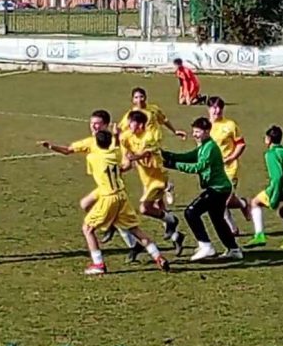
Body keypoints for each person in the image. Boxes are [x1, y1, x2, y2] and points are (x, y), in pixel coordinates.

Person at [37, 110, 145, 262]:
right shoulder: (90, 142)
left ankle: (118, 248)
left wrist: (116, 169)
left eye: (97, 123)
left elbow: (127, 165)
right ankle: (125, 238)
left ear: (106, 125)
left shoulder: (115, 142)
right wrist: (51, 146)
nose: (93, 126)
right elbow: (68, 150)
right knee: (84, 204)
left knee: (106, 218)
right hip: (103, 187)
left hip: (112, 188)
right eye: (91, 123)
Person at [81, 129, 170, 275]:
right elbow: (123, 160)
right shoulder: (115, 153)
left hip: (108, 196)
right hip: (122, 196)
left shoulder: (92, 158)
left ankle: (98, 264)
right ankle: (157, 256)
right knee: (135, 229)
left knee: (88, 229)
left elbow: (94, 169)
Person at [162, 117, 243, 261]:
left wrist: (174, 165)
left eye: (198, 132)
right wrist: (167, 155)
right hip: (220, 189)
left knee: (191, 212)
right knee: (218, 220)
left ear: (207, 132)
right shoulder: (204, 146)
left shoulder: (210, 148)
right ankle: (234, 249)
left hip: (218, 190)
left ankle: (206, 246)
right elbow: (189, 156)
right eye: (194, 131)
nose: (194, 134)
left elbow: (198, 167)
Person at [122, 110, 185, 256]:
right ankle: (176, 236)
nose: (131, 125)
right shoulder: (126, 137)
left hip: (158, 179)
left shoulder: (149, 137)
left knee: (144, 208)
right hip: (146, 179)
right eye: (130, 122)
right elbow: (127, 160)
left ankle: (171, 220)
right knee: (158, 207)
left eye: (135, 123)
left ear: (142, 125)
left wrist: (134, 157)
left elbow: (145, 153)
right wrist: (119, 169)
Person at [119, 87, 187, 204]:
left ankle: (164, 187)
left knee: (153, 170)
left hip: (152, 145)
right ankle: (164, 197)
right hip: (139, 146)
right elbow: (122, 129)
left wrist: (175, 131)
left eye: (141, 96)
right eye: (136, 97)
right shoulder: (131, 115)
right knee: (144, 173)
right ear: (132, 100)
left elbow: (164, 120)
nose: (139, 99)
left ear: (146, 97)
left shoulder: (153, 110)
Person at [245, 126, 283, 251]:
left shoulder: (271, 154)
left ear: (268, 139)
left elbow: (277, 177)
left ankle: (259, 235)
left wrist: (275, 197)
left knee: (255, 202)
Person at [207, 96, 251, 235]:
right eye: (214, 107)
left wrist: (231, 157)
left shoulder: (230, 125)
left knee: (222, 200)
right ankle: (243, 204)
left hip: (229, 168)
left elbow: (241, 144)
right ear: (208, 109)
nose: (217, 110)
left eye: (219, 107)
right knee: (222, 200)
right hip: (212, 171)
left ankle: (232, 228)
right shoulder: (205, 127)